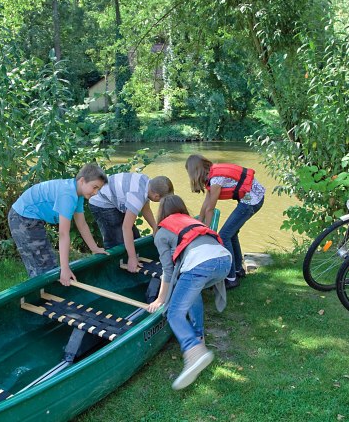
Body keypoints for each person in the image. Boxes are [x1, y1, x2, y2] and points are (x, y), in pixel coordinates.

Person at [147, 194, 230, 390]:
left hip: (201, 265)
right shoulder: (193, 222)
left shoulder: (161, 233)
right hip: (225, 261)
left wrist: (160, 299)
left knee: (174, 312)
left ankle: (193, 352)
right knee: (193, 292)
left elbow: (167, 271)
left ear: (162, 213)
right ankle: (198, 338)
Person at [9, 164, 108, 285]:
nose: (96, 192)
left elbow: (82, 224)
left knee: (47, 263)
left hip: (31, 218)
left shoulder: (77, 195)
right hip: (22, 218)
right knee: (42, 265)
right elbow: (63, 233)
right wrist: (65, 268)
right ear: (82, 181)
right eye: (94, 187)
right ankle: (41, 297)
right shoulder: (67, 195)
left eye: (98, 189)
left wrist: (95, 248)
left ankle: (48, 294)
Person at [185, 154, 265, 289]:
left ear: (194, 171)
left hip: (251, 201)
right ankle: (239, 269)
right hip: (251, 198)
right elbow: (205, 205)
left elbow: (210, 208)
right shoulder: (211, 175)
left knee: (224, 235)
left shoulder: (216, 180)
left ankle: (231, 278)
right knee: (231, 233)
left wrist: (207, 231)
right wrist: (199, 223)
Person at [89, 173, 174, 272]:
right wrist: (132, 258)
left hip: (114, 200)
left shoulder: (147, 183)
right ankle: (114, 270)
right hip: (101, 204)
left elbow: (145, 208)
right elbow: (126, 227)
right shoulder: (137, 196)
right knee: (117, 240)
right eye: (161, 200)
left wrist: (155, 228)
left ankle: (133, 261)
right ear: (156, 196)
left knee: (135, 236)